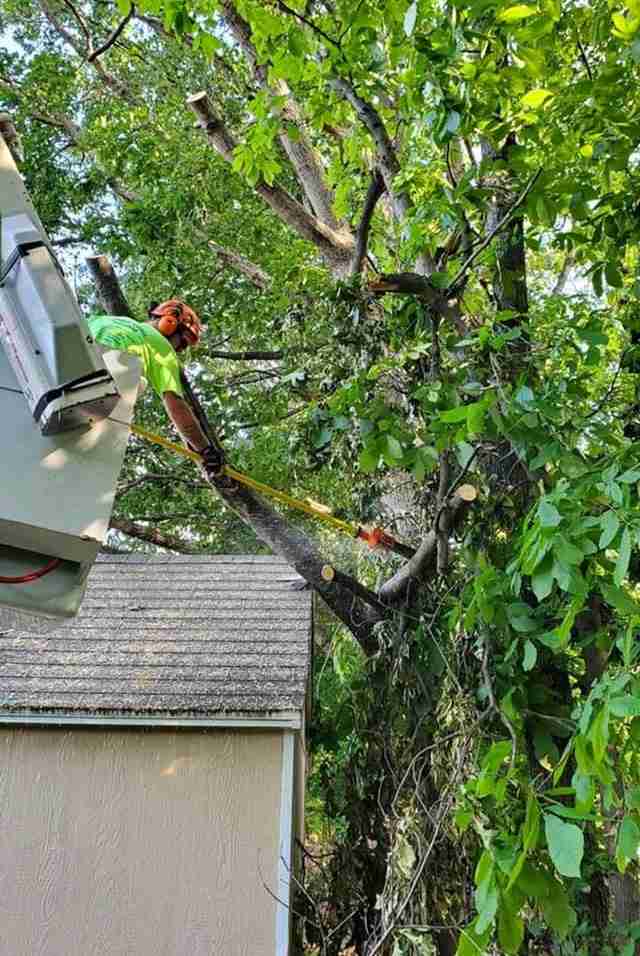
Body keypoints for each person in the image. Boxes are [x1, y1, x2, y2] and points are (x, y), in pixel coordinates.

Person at [87, 299, 227, 481]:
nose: (179, 350)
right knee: (139, 382)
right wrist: (206, 450)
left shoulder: (108, 320)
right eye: (182, 343)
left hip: (64, 366)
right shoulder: (163, 349)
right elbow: (176, 405)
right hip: (102, 385)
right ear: (171, 323)